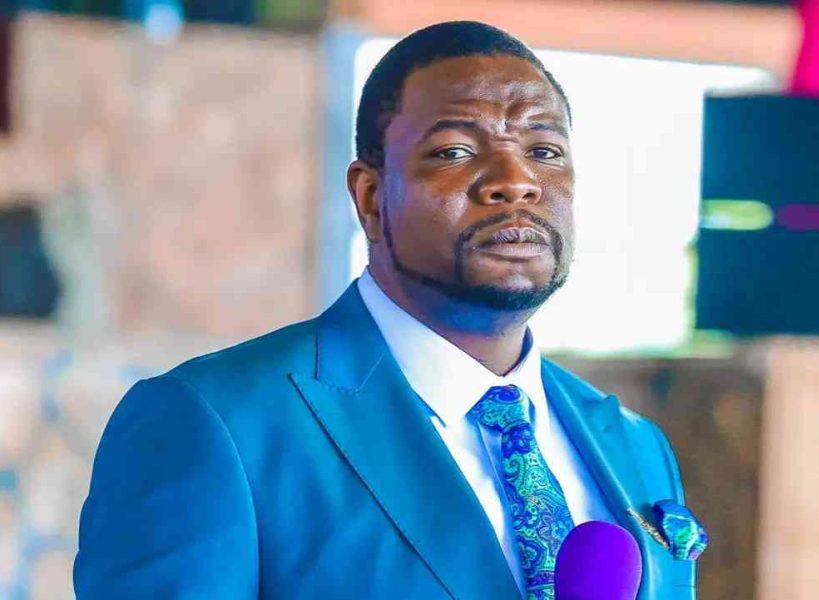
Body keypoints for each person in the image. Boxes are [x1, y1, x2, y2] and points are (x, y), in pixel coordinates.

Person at [74, 21, 697, 600]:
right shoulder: (217, 424)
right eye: (455, 151)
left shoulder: (638, 447)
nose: (515, 179)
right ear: (371, 198)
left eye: (546, 150)